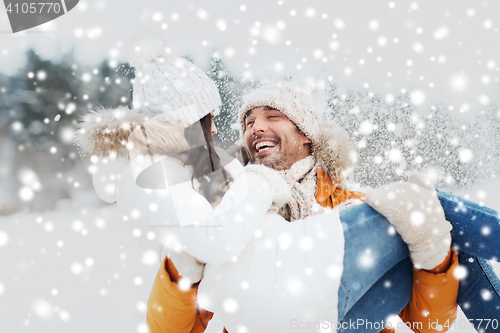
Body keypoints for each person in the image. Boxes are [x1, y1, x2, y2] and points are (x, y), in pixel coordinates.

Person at [74, 46, 492, 332]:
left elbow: (428, 325)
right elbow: (168, 329)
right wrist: (183, 268)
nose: (256, 126)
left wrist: (433, 258)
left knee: (441, 226)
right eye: (248, 121)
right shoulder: (226, 202)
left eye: (272, 115)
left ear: (306, 134)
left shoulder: (355, 206)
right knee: (441, 209)